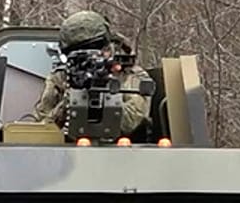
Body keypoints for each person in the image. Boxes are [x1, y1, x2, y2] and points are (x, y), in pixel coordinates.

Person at [31, 10, 152, 138]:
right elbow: (41, 128)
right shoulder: (61, 77)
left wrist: (102, 92)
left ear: (108, 47)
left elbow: (129, 122)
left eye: (97, 49)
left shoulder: (130, 75)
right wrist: (67, 104)